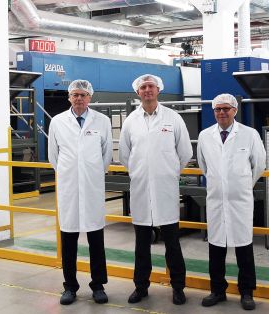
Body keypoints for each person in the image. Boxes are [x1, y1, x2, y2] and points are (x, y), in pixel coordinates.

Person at [119, 74, 193, 305]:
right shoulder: (131, 120)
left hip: (165, 189)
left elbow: (185, 153)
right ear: (137, 92)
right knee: (142, 244)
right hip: (141, 189)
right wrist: (142, 172)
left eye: (151, 86)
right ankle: (141, 287)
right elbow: (124, 154)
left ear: (158, 90)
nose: (147, 90)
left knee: (172, 243)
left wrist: (168, 172)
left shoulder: (173, 118)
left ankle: (178, 287)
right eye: (143, 87)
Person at [196, 93, 266, 311]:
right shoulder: (205, 136)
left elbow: (259, 165)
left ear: (235, 110)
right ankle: (218, 290)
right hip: (216, 200)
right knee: (216, 247)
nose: (221, 113)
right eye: (217, 109)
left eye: (226, 108)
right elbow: (204, 166)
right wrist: (221, 185)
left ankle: (246, 292)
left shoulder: (249, 134)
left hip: (240, 200)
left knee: (244, 247)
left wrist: (242, 184)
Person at [48, 79, 113, 305]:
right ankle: (70, 287)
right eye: (75, 94)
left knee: (96, 239)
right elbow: (53, 156)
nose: (79, 98)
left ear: (90, 98)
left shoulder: (102, 121)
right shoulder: (57, 122)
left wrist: (92, 173)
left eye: (83, 95)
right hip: (69, 189)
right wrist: (69, 173)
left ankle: (98, 285)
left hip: (92, 187)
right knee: (69, 239)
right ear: (69, 97)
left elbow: (106, 155)